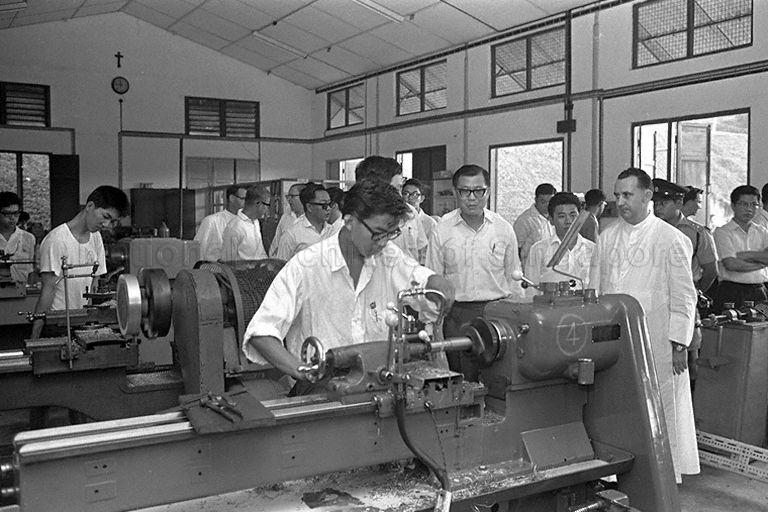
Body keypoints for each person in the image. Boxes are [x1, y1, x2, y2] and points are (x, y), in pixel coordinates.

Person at [243, 179, 454, 395]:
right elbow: (262, 333)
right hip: (323, 385)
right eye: (378, 233)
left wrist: (437, 285)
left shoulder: (389, 256)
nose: (383, 242)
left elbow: (420, 278)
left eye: (391, 234)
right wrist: (304, 371)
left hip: (379, 379)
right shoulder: (307, 265)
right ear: (350, 221)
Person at [588, 167, 698, 484]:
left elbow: (684, 296)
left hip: (659, 341)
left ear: (647, 196)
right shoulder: (607, 238)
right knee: (616, 405)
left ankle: (664, 475)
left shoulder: (671, 239)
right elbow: (596, 290)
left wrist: (679, 344)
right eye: (617, 195)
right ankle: (615, 472)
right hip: (615, 341)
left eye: (628, 195)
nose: (621, 201)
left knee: (661, 406)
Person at [426, 164, 522, 380]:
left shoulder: (503, 228)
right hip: (456, 314)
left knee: (497, 378)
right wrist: (432, 322)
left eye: (478, 191)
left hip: (496, 313)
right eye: (464, 191)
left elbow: (513, 277)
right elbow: (433, 279)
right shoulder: (442, 229)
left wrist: (516, 319)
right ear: (455, 193)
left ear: (488, 191)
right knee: (461, 379)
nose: (472, 198)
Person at [31, 186, 129, 339]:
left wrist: (91, 318)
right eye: (105, 216)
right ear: (90, 206)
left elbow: (94, 281)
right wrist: (35, 337)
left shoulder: (96, 237)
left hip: (82, 322)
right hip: (58, 323)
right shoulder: (56, 240)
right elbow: (47, 291)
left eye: (112, 221)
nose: (107, 224)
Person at [652, 178, 719, 394]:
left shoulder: (697, 233)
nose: (657, 208)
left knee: (688, 364)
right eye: (655, 203)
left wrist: (696, 292)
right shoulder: (650, 230)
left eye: (663, 203)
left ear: (679, 203)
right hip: (655, 302)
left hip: (684, 303)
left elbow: (711, 271)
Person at [355, 156, 428, 263]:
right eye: (395, 189)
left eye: (400, 188)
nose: (400, 195)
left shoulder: (410, 212)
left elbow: (422, 250)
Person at [524, 192, 594, 297]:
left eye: (573, 215)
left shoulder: (593, 249)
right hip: (551, 309)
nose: (569, 221)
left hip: (585, 310)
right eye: (562, 216)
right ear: (551, 220)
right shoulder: (539, 249)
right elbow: (531, 290)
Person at [711, 185, 768, 310]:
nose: (749, 209)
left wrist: (746, 257)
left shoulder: (763, 232)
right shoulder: (722, 232)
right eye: (744, 204)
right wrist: (761, 263)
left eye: (754, 205)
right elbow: (731, 264)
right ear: (733, 206)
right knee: (730, 328)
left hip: (759, 291)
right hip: (731, 291)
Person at [275, 183, 334, 260]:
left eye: (330, 204)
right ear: (309, 207)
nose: (329, 208)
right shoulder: (292, 235)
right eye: (324, 205)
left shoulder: (333, 231)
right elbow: (282, 266)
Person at [194, 184, 246, 261]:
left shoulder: (249, 223)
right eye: (243, 198)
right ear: (232, 198)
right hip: (215, 270)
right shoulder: (211, 221)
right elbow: (198, 250)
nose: (247, 202)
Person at [221, 186, 270, 262]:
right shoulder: (234, 227)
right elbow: (228, 262)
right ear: (258, 203)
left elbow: (259, 254)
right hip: (242, 273)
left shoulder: (255, 222)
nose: (268, 209)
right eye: (267, 205)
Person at [513, 183, 556, 267]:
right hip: (531, 270)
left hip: (552, 270)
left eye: (550, 202)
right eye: (543, 202)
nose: (547, 205)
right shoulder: (525, 220)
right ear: (536, 200)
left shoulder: (557, 218)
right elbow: (515, 249)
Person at [0, 192, 36, 285]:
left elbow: (31, 269)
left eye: (16, 213)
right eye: (7, 214)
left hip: (21, 292)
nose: (12, 218)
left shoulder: (28, 238)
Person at [269, 183, 306, 258]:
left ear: (303, 197)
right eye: (288, 197)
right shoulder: (285, 217)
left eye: (292, 196)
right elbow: (275, 244)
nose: (289, 200)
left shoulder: (311, 219)